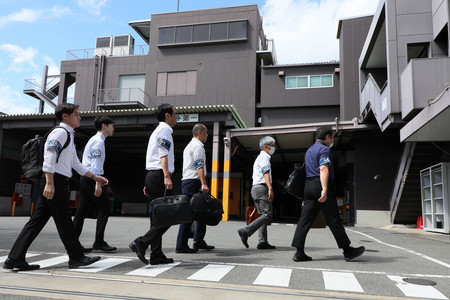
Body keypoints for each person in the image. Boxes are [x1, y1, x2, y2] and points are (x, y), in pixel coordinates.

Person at [3, 103, 107, 271]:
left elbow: (76, 164)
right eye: (76, 114)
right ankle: (76, 257)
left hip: (55, 180)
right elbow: (49, 157)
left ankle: (15, 258)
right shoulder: (60, 133)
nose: (79, 117)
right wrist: (50, 183)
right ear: (65, 116)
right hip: (53, 181)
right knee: (65, 220)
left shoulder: (69, 135)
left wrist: (95, 177)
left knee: (36, 222)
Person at [291, 125, 365, 262]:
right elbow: (324, 169)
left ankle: (299, 252)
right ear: (327, 137)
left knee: (304, 220)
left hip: (308, 186)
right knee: (334, 219)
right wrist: (324, 189)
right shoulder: (324, 149)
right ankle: (347, 250)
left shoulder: (309, 150)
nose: (332, 140)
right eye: (332, 137)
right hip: (320, 185)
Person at [129, 103, 178, 265]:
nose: (176, 117)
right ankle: (141, 243)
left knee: (157, 218)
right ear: (167, 115)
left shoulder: (157, 131)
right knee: (170, 215)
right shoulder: (164, 130)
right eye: (175, 114)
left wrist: (151, 180)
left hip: (153, 176)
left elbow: (154, 156)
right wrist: (166, 176)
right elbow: (163, 154)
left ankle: (156, 254)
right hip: (159, 176)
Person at [73, 116, 116, 252]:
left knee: (82, 211)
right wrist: (98, 182)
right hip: (92, 178)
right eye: (111, 126)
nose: (113, 128)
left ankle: (72, 242)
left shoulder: (94, 139)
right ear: (104, 126)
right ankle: (99, 242)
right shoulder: (98, 141)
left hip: (86, 177)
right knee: (105, 208)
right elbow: (96, 162)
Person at [176, 123, 215, 253]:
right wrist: (203, 183)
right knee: (189, 214)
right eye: (206, 132)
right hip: (194, 182)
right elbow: (199, 166)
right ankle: (181, 245)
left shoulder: (189, 146)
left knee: (201, 211)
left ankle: (198, 241)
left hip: (189, 181)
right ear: (199, 132)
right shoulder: (197, 146)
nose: (207, 135)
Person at [238, 136, 276, 250]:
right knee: (267, 214)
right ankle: (245, 231)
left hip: (256, 188)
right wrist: (270, 188)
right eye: (272, 145)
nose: (273, 147)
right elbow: (266, 173)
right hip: (262, 188)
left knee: (262, 214)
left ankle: (262, 241)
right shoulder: (264, 157)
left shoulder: (260, 157)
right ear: (266, 147)